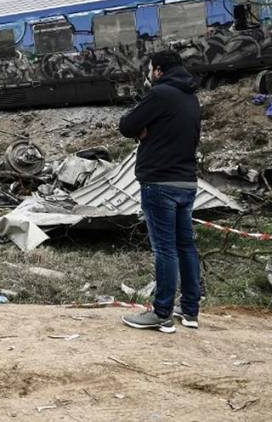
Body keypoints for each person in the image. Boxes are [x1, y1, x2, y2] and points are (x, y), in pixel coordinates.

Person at [118, 51, 202, 334]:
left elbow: (127, 126)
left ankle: (162, 313)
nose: (151, 73)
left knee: (165, 249)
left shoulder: (161, 94)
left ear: (158, 70)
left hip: (160, 182)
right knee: (186, 247)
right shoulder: (191, 97)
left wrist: (145, 129)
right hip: (187, 182)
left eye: (152, 68)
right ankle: (190, 311)